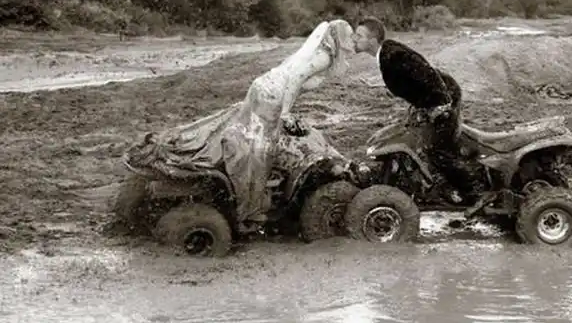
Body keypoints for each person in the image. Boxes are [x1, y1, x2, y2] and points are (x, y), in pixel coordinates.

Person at [124, 19, 356, 235]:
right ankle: (250, 207)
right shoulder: (324, 57)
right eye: (349, 36)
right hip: (272, 96)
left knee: (245, 133)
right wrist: (284, 113)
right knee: (259, 150)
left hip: (264, 87)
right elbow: (294, 79)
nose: (351, 41)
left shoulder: (316, 53)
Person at [352, 16, 477, 200]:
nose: (354, 39)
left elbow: (428, 74)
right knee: (422, 139)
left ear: (372, 40)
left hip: (445, 97)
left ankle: (473, 192)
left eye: (359, 36)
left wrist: (442, 106)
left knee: (437, 151)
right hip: (436, 97)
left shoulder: (393, 55)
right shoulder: (386, 54)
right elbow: (413, 82)